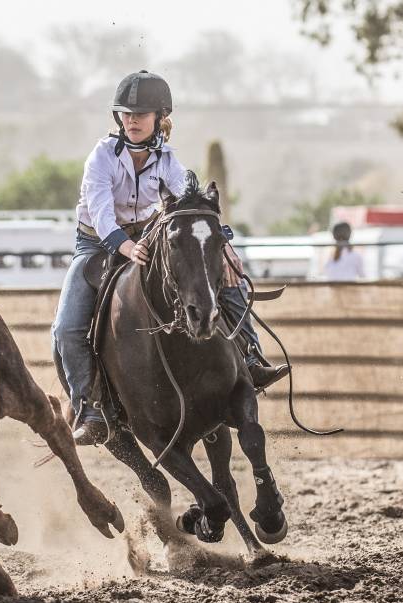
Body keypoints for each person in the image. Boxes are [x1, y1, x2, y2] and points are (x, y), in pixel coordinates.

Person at [52, 70, 289, 446]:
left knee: (222, 280)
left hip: (149, 237)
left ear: (160, 118)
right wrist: (126, 248)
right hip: (96, 244)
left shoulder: (168, 160)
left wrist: (224, 244)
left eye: (140, 114)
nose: (131, 120)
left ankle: (251, 359)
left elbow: (191, 205)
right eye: (126, 113)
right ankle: (89, 406)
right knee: (66, 327)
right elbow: (100, 213)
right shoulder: (100, 157)